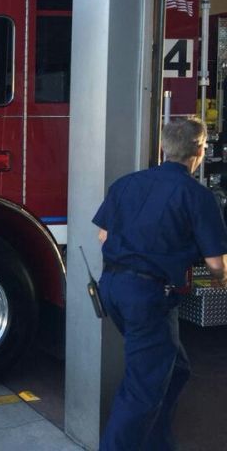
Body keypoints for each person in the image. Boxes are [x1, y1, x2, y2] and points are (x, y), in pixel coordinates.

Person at [94, 116, 227, 451]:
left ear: (163, 147)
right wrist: (220, 278)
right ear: (199, 150)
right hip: (148, 295)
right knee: (143, 385)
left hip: (112, 287)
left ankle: (158, 443)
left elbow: (103, 235)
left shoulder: (126, 183)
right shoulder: (197, 195)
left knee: (175, 367)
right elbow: (215, 264)